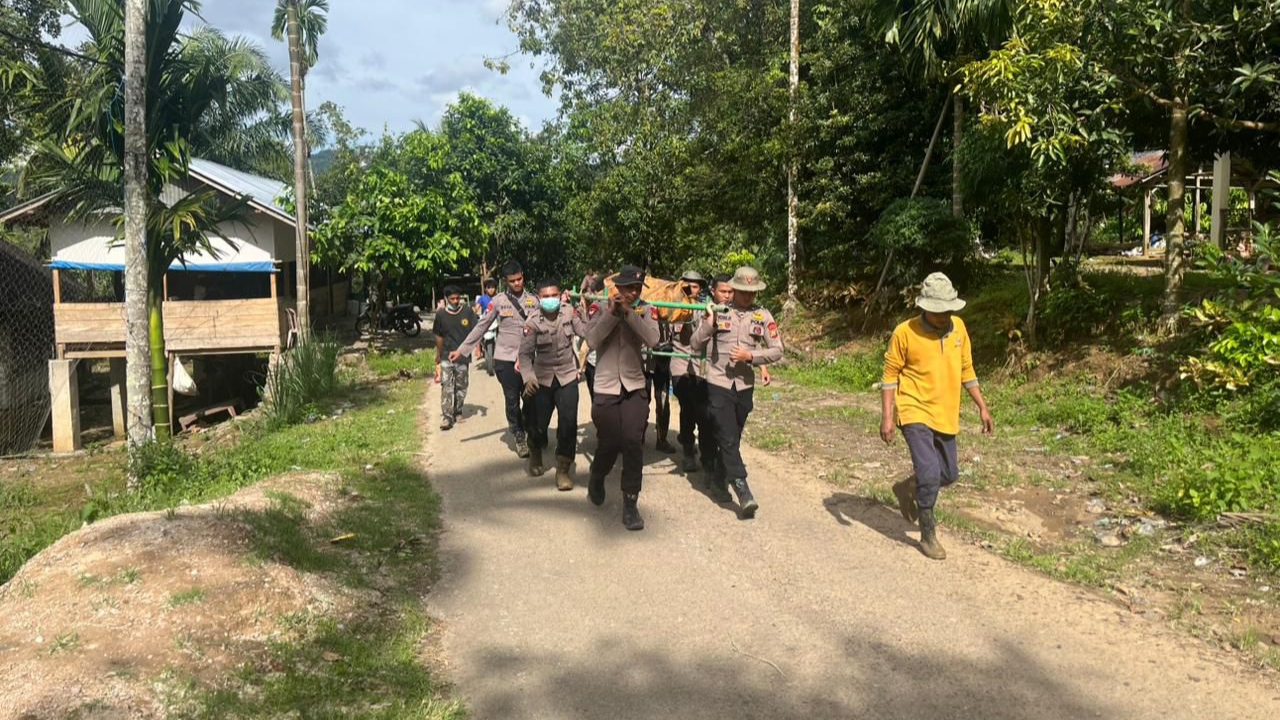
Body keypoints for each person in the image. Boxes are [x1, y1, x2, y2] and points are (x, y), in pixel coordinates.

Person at [881, 272, 994, 561]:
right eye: (939, 311)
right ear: (924, 307)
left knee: (949, 474)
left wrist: (981, 405)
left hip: (945, 411)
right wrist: (887, 416)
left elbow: (967, 369)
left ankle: (908, 487)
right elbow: (890, 375)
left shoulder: (959, 329)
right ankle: (928, 534)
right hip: (914, 408)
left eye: (948, 310)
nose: (945, 316)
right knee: (930, 473)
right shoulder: (904, 332)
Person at [691, 266, 783, 519]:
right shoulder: (719, 312)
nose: (748, 297)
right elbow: (695, 343)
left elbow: (777, 349)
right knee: (727, 435)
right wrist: (709, 324)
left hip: (744, 385)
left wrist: (751, 356)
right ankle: (743, 490)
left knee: (734, 436)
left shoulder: (763, 316)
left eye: (752, 293)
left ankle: (720, 478)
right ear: (735, 289)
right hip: (718, 382)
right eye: (743, 292)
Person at [585, 265, 660, 531]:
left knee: (632, 442)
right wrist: (612, 314)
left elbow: (652, 339)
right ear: (618, 288)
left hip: (634, 384)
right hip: (605, 385)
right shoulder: (598, 307)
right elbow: (592, 340)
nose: (634, 292)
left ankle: (630, 503)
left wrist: (628, 313)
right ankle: (598, 474)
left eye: (638, 288)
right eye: (629, 288)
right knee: (610, 441)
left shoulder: (646, 310)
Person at [452, 261, 538, 457]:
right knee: (512, 399)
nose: (517, 283)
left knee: (532, 398)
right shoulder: (498, 301)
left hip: (528, 359)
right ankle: (518, 434)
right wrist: (463, 350)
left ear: (523, 276)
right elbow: (481, 326)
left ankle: (530, 427)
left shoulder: (535, 300)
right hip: (505, 359)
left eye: (519, 279)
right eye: (512, 281)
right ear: (506, 282)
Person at [519, 279, 587, 490]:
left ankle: (563, 469)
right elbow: (525, 355)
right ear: (538, 298)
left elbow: (587, 332)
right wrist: (528, 377)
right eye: (545, 296)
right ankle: (535, 451)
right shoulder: (532, 322)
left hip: (567, 376)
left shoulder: (569, 313)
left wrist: (588, 310)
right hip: (542, 378)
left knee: (568, 423)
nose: (550, 300)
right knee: (538, 424)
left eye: (554, 295)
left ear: (560, 295)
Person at [670, 270, 715, 474]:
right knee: (687, 406)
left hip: (701, 367)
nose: (691, 290)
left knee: (703, 411)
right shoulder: (671, 307)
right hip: (680, 366)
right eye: (687, 286)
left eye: (695, 286)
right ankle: (688, 449)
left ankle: (704, 452)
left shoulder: (705, 309)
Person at [433, 286, 478, 431]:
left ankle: (458, 411)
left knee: (461, 387)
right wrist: (438, 356)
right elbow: (438, 337)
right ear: (446, 299)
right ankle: (447, 416)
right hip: (446, 356)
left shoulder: (467, 312)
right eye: (452, 299)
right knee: (447, 386)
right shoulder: (440, 315)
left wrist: (478, 348)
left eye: (458, 298)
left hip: (463, 357)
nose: (455, 301)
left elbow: (475, 332)